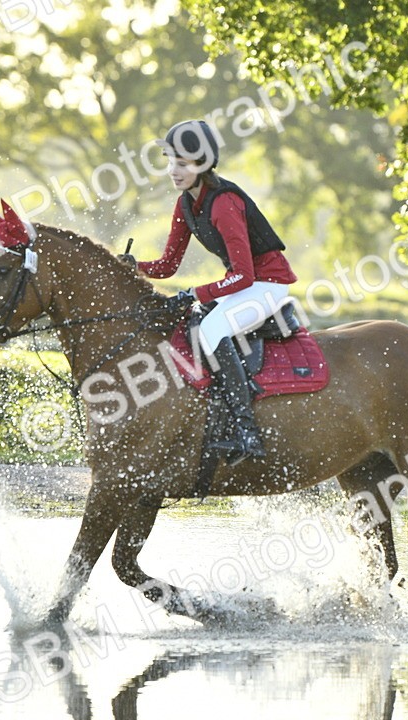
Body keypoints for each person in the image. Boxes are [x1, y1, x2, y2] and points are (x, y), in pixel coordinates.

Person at [120, 120, 298, 465]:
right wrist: (133, 266)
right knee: (192, 322)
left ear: (202, 164)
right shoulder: (185, 204)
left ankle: (247, 433)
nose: (174, 171)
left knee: (212, 329)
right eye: (170, 162)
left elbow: (244, 275)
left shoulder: (224, 203)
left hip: (268, 285)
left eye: (182, 164)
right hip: (246, 283)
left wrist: (194, 293)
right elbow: (168, 265)